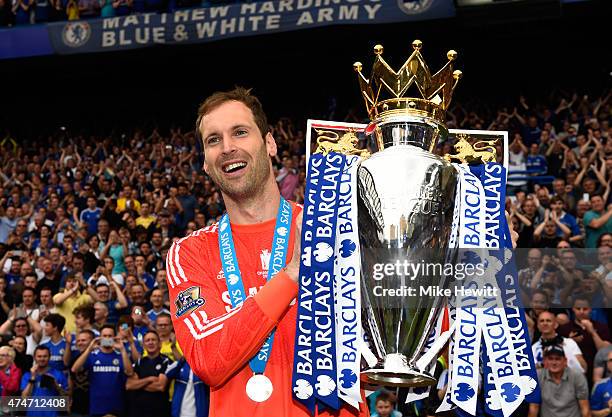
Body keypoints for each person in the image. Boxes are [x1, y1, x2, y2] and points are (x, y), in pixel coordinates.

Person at [167, 87, 366, 416]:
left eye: (240, 132)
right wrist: (292, 275)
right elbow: (208, 358)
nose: (228, 147)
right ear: (204, 162)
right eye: (213, 140)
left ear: (270, 144)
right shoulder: (189, 252)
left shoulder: (337, 231)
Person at [71, 324, 133, 416]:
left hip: (116, 407)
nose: (107, 338)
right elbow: (74, 369)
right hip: (97, 407)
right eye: (104, 336)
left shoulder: (121, 356)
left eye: (110, 336)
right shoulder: (92, 355)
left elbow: (130, 372)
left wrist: (123, 350)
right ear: (100, 337)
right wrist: (89, 349)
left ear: (114, 337)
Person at [528, 344, 590, 417]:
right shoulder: (538, 376)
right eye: (550, 359)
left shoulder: (577, 376)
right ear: (544, 361)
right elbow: (534, 408)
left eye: (557, 359)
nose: (554, 363)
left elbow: (585, 409)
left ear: (565, 361)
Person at [126, 330, 171, 417]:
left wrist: (139, 383)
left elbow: (160, 386)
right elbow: (129, 385)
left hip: (159, 411)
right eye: (147, 340)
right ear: (143, 345)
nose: (150, 342)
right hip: (138, 411)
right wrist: (149, 379)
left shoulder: (166, 361)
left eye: (153, 340)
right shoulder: (139, 362)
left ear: (159, 344)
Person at [20, 345, 68, 417]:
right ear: (34, 357)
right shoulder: (27, 375)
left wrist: (56, 385)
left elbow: (66, 397)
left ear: (49, 357)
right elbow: (24, 398)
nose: (42, 359)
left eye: (45, 356)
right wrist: (32, 377)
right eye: (39, 356)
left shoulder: (58, 374)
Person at [590, 350, 612, 417]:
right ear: (607, 364)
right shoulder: (600, 385)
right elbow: (592, 413)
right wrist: (609, 410)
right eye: (611, 360)